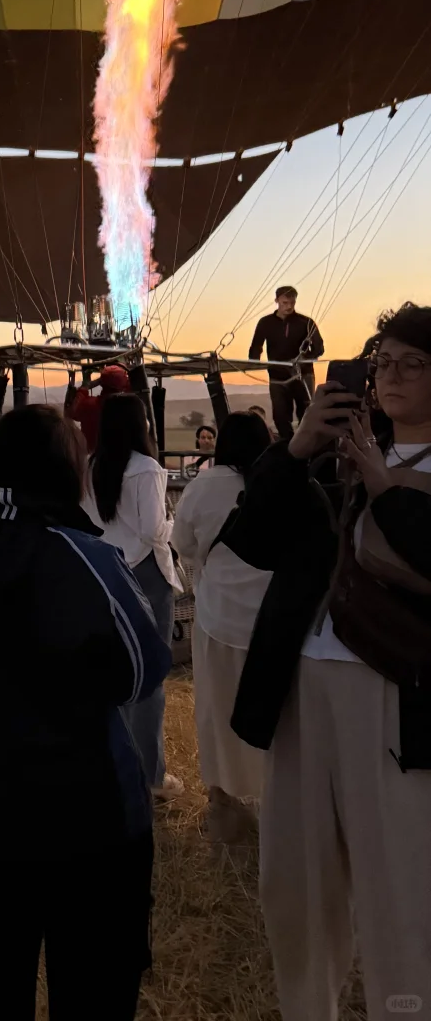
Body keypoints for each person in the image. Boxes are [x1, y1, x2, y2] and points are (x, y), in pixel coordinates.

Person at [0, 405, 171, 1021]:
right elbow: (143, 670)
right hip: (90, 818)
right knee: (94, 986)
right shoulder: (89, 557)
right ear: (65, 471)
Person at [222, 303, 431, 1021]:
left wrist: (381, 484)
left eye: (414, 362)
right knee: (295, 882)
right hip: (301, 689)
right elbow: (251, 540)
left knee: (398, 886)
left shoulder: (385, 469)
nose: (393, 376)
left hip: (395, 698)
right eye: (384, 362)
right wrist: (295, 449)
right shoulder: (336, 461)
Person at [170, 410, 272, 842]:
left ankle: (224, 805)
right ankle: (275, 804)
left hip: (217, 622)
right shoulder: (279, 482)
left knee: (217, 712)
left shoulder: (204, 485)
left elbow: (183, 543)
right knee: (275, 717)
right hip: (274, 623)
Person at [82, 393, 183, 799]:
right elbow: (153, 531)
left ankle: (114, 767)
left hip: (105, 572)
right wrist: (176, 522)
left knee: (111, 673)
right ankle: (151, 776)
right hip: (146, 574)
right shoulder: (148, 470)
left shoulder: (89, 467)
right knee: (150, 675)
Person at [248, 285, 324, 441]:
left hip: (302, 374)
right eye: (285, 303)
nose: (289, 307)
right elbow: (256, 346)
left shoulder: (306, 322)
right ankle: (287, 446)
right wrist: (253, 362)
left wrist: (303, 358)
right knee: (281, 415)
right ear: (276, 301)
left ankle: (306, 444)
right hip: (277, 375)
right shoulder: (265, 322)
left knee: (306, 411)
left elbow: (319, 347)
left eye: (292, 303)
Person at [66, 364, 131, 453]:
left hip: (93, 459)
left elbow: (70, 413)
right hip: (119, 458)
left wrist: (85, 386)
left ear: (102, 384)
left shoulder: (89, 405)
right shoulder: (128, 409)